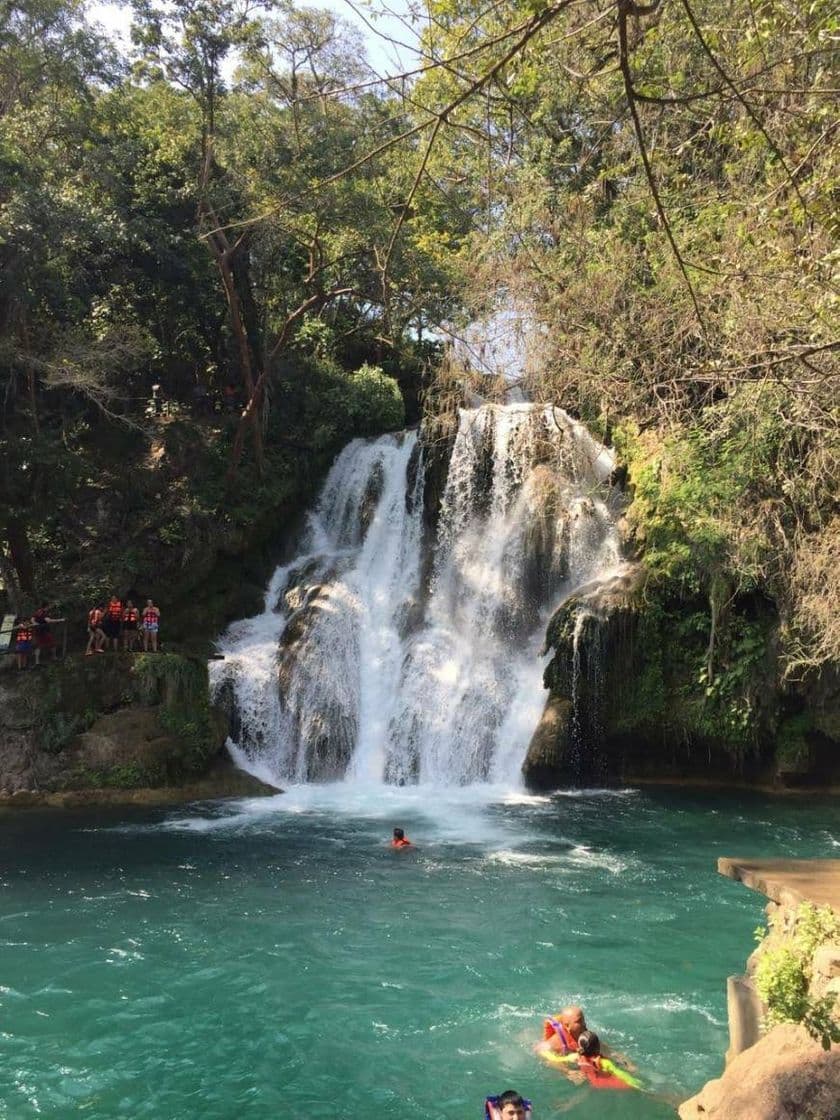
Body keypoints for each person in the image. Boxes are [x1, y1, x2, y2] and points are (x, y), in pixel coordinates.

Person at [574, 1030, 642, 1091]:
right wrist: (637, 1083)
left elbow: (563, 1059)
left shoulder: (575, 1057)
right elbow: (621, 1074)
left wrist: (569, 1072)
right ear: (598, 1046)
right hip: (603, 1083)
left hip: (590, 1082)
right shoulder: (604, 1062)